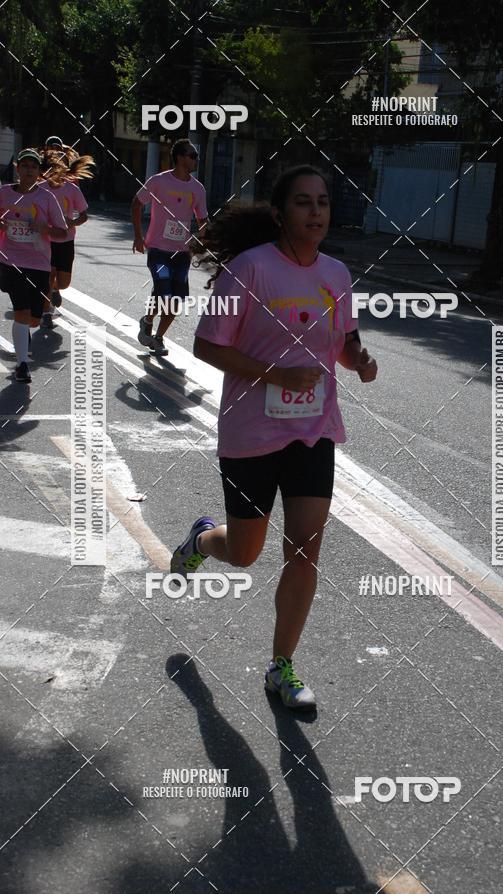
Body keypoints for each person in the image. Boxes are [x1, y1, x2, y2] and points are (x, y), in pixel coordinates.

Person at [170, 165, 377, 710]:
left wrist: (359, 360)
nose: (316, 213)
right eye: (304, 203)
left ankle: (281, 667)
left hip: (313, 432)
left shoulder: (337, 273)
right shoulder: (248, 268)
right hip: (251, 431)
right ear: (282, 213)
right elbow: (206, 346)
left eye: (324, 203)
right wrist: (278, 375)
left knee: (305, 550)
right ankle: (201, 540)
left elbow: (345, 341)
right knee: (244, 553)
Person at [131, 138, 208, 356]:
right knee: (164, 291)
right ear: (181, 157)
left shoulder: (197, 188)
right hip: (157, 249)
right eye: (193, 156)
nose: (196, 160)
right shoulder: (158, 182)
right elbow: (137, 203)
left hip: (181, 253)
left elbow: (203, 220)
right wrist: (138, 236)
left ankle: (157, 336)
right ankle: (147, 321)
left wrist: (201, 241)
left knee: (174, 302)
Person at [0, 149, 67, 382]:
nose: (29, 170)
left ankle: (22, 340)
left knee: (34, 320)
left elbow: (62, 231)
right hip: (10, 260)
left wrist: (45, 229)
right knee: (22, 311)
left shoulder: (47, 198)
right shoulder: (3, 194)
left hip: (39, 263)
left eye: (34, 167)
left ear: (39, 172)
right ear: (17, 168)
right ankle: (22, 365)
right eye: (25, 165)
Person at [37, 148, 93, 326]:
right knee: (49, 274)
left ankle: (55, 290)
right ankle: (46, 313)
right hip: (46, 240)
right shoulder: (40, 189)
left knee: (63, 283)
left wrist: (73, 223)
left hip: (66, 241)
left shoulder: (72, 189)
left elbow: (84, 215)